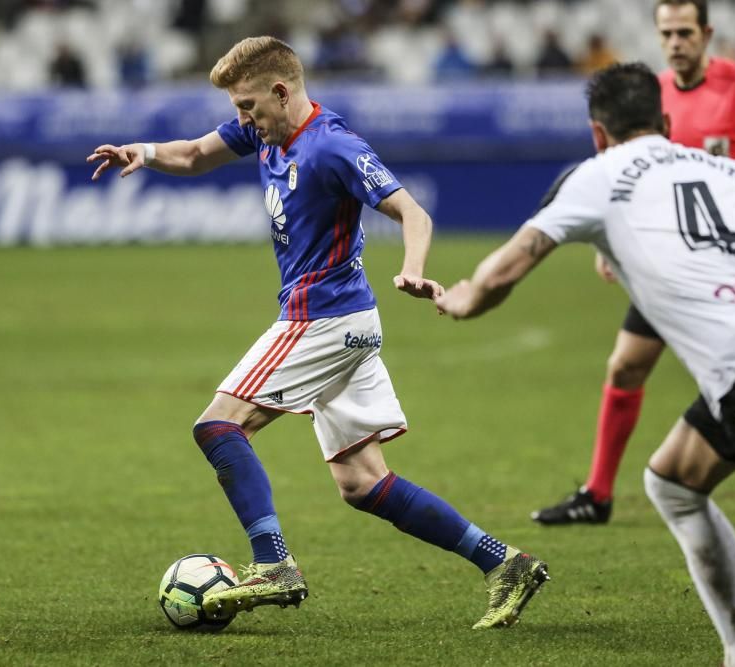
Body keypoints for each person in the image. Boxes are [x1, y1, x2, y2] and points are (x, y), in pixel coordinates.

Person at [435, 61, 735, 667]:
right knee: (672, 482)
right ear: (665, 121)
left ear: (598, 132)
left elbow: (509, 264)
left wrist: (462, 299)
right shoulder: (726, 168)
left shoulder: (596, 175)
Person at [86, 36, 548, 629]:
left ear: (282, 92)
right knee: (362, 483)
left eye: (249, 105)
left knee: (219, 425)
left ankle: (272, 564)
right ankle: (504, 563)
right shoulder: (263, 130)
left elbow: (414, 212)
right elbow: (196, 154)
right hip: (348, 323)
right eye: (237, 109)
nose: (241, 119)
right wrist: (141, 153)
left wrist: (412, 270)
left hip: (321, 318)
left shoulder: (332, 145)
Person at [533, 0, 735, 526]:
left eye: (685, 32)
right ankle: (598, 494)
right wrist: (609, 246)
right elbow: (620, 175)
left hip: (726, 265)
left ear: (706, 33)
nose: (676, 43)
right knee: (626, 364)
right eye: (667, 34)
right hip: (669, 264)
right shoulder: (651, 99)